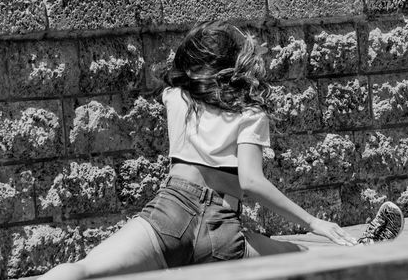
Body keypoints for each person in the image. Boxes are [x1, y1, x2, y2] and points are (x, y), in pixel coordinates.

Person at [38, 20, 384, 280]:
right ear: (236, 66)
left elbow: (181, 73)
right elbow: (250, 182)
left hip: (169, 214)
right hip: (221, 227)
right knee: (302, 255)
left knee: (82, 271)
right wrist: (312, 222)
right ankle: (361, 249)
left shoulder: (176, 97)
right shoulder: (250, 113)